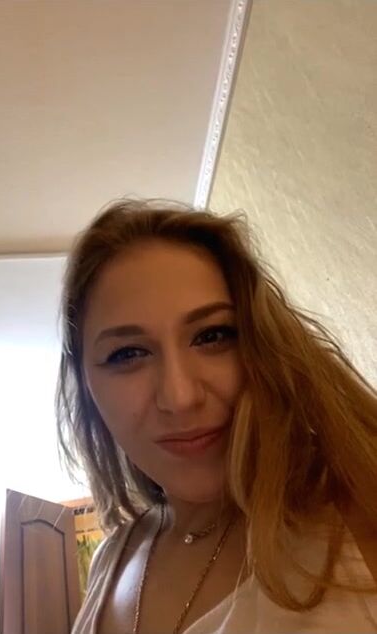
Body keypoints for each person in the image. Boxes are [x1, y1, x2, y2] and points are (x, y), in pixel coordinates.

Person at [57, 199, 377, 634]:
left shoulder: (354, 519)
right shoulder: (110, 560)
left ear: (264, 345)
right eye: (127, 353)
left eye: (213, 336)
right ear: (87, 387)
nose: (180, 397)